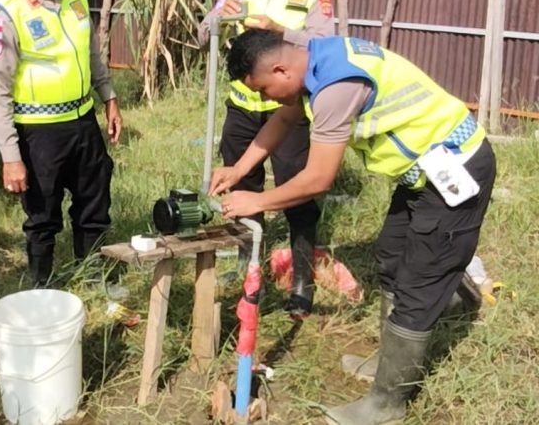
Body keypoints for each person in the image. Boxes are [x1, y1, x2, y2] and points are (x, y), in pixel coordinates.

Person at [210, 30, 496, 425]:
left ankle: (386, 404)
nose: (266, 99)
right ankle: (390, 360)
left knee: (418, 282)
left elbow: (318, 179)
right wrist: (239, 169)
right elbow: (285, 117)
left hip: (455, 170)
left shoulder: (334, 87)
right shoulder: (309, 57)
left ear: (279, 68)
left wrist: (257, 200)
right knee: (391, 258)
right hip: (421, 174)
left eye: (264, 88)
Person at [198, 0, 335, 318]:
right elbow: (204, 34)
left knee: (298, 194)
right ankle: (248, 272)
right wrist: (219, 18)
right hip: (243, 108)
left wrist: (280, 30)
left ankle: (301, 281)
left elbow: (325, 43)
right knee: (241, 188)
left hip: (289, 110)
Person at [0, 0, 122, 287]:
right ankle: (41, 287)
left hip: (83, 121)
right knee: (43, 215)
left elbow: (90, 50)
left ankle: (93, 277)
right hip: (38, 134)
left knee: (94, 204)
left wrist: (108, 96)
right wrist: (11, 157)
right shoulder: (5, 13)